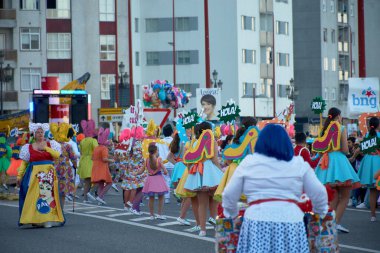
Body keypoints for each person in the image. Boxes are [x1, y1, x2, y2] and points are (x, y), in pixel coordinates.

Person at [222, 124, 328, 252]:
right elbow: (319, 193)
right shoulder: (298, 163)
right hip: (292, 221)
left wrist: (232, 215)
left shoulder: (249, 162)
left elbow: (228, 194)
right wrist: (320, 214)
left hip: (256, 221)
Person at [314, 107, 360, 233]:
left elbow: (320, 147)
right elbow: (345, 149)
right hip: (339, 162)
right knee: (345, 196)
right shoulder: (341, 128)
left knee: (333, 197)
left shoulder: (324, 129)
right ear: (338, 116)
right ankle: (335, 223)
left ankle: (327, 225)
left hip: (326, 162)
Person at [17, 123, 64, 228]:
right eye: (37, 132)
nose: (40, 134)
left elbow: (57, 155)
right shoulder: (28, 147)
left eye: (41, 132)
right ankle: (36, 219)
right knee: (34, 196)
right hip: (34, 175)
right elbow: (24, 163)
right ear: (34, 134)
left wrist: (46, 148)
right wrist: (19, 176)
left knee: (48, 195)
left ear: (44, 133)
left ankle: (48, 219)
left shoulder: (51, 144)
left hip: (48, 174)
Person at [184, 122, 223, 236]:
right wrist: (221, 171)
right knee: (215, 202)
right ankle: (216, 225)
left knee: (202, 203)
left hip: (198, 172)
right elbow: (215, 159)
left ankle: (203, 230)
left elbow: (188, 160)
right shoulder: (212, 142)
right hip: (210, 171)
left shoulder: (195, 142)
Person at [356, 117, 380, 221]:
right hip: (378, 161)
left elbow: (362, 151)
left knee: (373, 190)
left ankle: (373, 216)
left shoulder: (367, 135)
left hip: (369, 162)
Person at [51, 123, 78, 209]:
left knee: (53, 190)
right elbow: (73, 158)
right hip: (65, 170)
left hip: (52, 168)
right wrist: (75, 165)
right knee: (62, 192)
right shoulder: (68, 146)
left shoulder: (51, 145)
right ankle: (61, 210)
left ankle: (53, 209)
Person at [168, 131, 191, 226]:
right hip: (184, 167)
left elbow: (169, 157)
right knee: (186, 194)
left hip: (177, 167)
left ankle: (182, 216)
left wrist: (176, 163)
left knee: (183, 195)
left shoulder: (175, 143)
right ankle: (182, 217)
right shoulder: (185, 142)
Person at [141, 144, 169, 220]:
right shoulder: (159, 159)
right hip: (159, 179)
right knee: (161, 197)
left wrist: (135, 173)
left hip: (150, 180)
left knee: (151, 198)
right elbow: (165, 171)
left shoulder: (147, 160)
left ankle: (151, 215)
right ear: (156, 151)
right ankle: (159, 214)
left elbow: (141, 170)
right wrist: (164, 172)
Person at [91, 128, 114, 205]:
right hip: (103, 168)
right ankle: (100, 197)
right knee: (109, 183)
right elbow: (104, 159)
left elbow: (92, 158)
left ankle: (100, 200)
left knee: (101, 184)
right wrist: (111, 160)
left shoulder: (96, 148)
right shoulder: (104, 148)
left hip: (96, 167)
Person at [78, 120, 98, 203]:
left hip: (83, 161)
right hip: (91, 161)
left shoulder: (83, 141)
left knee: (87, 181)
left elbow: (81, 152)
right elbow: (97, 151)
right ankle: (90, 193)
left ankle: (85, 199)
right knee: (98, 179)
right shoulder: (93, 141)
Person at [157, 124, 174, 204]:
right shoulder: (174, 140)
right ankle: (177, 194)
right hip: (173, 163)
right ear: (171, 132)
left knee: (166, 180)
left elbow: (157, 153)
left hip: (163, 164)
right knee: (175, 181)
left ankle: (167, 197)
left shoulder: (160, 141)